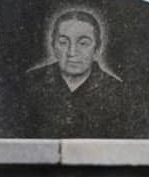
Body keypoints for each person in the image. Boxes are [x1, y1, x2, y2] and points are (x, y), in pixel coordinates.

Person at [17, 8, 128, 136]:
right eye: (63, 42)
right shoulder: (30, 83)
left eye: (83, 43)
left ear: (97, 49)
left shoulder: (117, 92)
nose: (72, 52)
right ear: (53, 46)